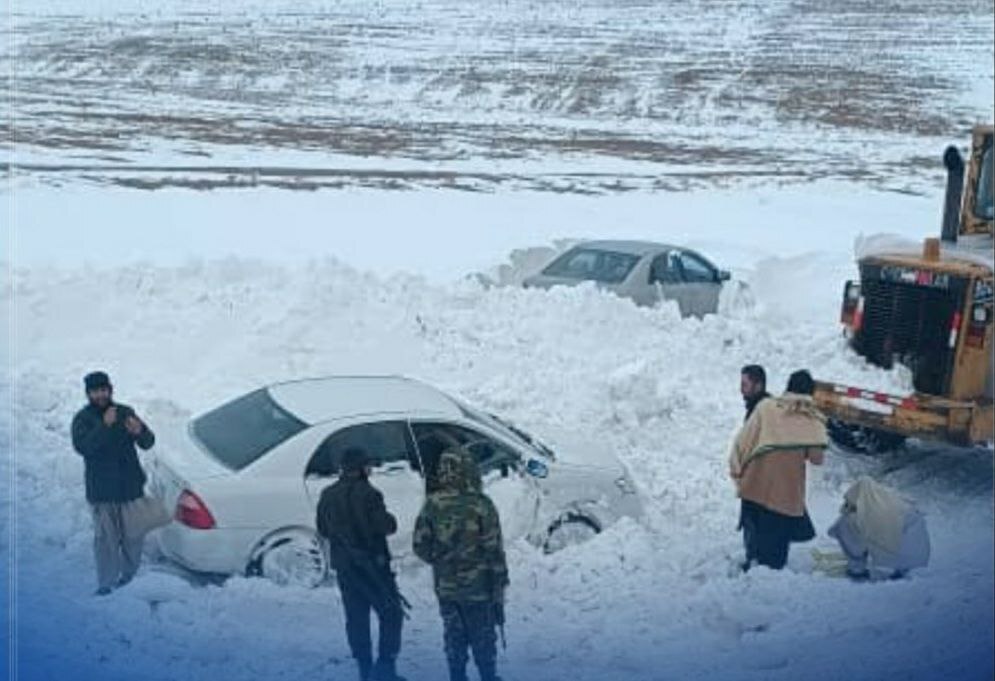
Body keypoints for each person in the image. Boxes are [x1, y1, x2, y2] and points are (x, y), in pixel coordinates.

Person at [413, 448, 509, 681]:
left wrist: (441, 560)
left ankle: (457, 676)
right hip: (479, 588)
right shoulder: (481, 504)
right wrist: (499, 583)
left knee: (454, 635)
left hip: (447, 587)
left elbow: (420, 546)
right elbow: (494, 549)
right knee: (483, 635)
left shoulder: (432, 505)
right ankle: (488, 676)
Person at [316, 447, 406, 681]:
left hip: (345, 569)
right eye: (368, 465)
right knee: (391, 614)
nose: (371, 469)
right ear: (361, 468)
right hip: (373, 567)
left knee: (356, 617)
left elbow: (323, 529)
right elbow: (387, 526)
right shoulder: (370, 494)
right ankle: (386, 668)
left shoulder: (327, 494)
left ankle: (364, 670)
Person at [729, 369, 827, 571]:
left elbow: (742, 442)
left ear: (788, 387)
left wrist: (737, 473)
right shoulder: (812, 418)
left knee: (754, 536)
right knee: (775, 556)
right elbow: (817, 459)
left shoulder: (766, 408)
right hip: (786, 494)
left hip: (755, 485)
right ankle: (768, 581)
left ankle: (751, 567)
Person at [70, 370, 156, 595]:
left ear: (110, 390)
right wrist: (104, 426)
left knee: (133, 538)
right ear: (88, 394)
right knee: (105, 541)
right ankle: (106, 584)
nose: (100, 395)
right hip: (102, 492)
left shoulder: (125, 412)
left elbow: (148, 442)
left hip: (130, 488)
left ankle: (130, 579)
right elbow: (84, 447)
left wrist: (140, 432)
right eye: (95, 391)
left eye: (103, 390)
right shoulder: (83, 419)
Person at [828, 476, 930, 581]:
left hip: (891, 564)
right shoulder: (894, 503)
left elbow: (856, 547)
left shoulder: (860, 517)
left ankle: (858, 569)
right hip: (917, 558)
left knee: (848, 525)